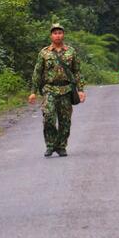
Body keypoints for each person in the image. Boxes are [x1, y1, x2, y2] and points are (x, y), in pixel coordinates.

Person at [28, 23, 86, 157]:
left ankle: (61, 146)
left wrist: (81, 89)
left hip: (66, 89)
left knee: (65, 120)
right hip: (50, 88)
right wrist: (33, 92)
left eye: (60, 33)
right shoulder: (44, 52)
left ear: (63, 35)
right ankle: (50, 144)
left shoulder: (71, 51)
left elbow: (77, 71)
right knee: (48, 117)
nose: (57, 35)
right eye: (55, 33)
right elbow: (37, 72)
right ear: (51, 35)